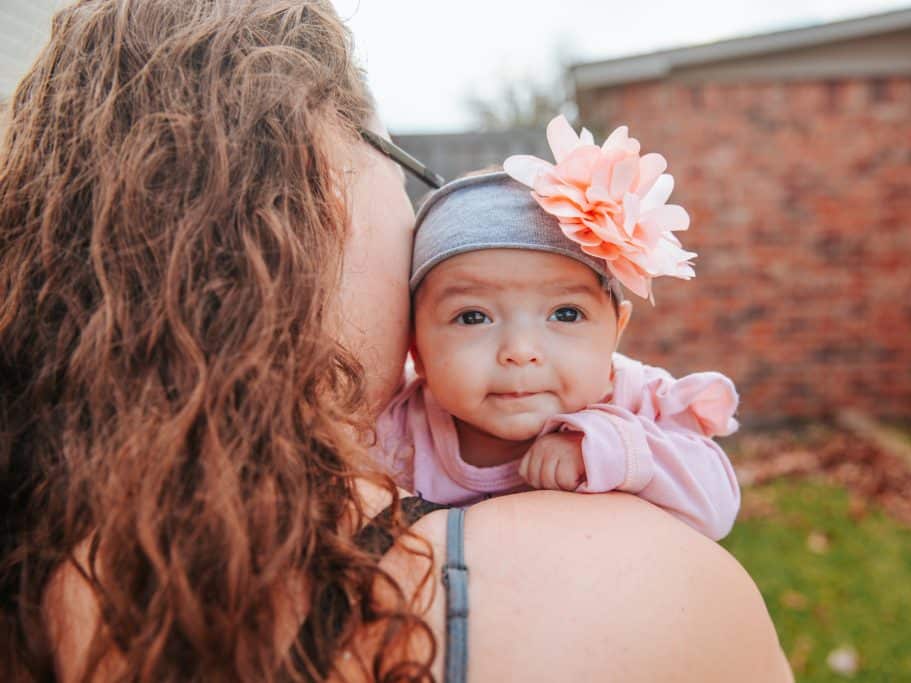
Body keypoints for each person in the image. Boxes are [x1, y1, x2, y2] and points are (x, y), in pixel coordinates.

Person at [0, 1, 794, 681]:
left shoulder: (43, 563)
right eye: (400, 163)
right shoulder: (648, 596)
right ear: (315, 185)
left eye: (563, 314)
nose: (520, 351)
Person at [373, 121, 742, 539]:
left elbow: (716, 510)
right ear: (416, 350)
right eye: (473, 316)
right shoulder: (399, 434)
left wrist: (608, 449)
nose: (520, 350)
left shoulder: (640, 402)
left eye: (565, 314)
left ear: (614, 334)